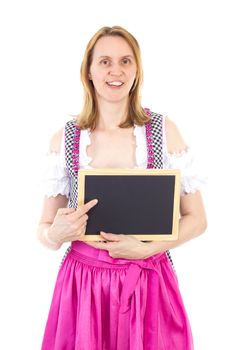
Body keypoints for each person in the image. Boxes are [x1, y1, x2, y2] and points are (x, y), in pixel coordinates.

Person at [38, 25, 207, 350]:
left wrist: (147, 248)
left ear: (137, 70)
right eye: (104, 61)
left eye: (125, 61)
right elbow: (44, 229)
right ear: (89, 71)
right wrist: (55, 233)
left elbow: (197, 219)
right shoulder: (66, 138)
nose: (116, 70)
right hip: (84, 286)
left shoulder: (163, 131)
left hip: (147, 279)